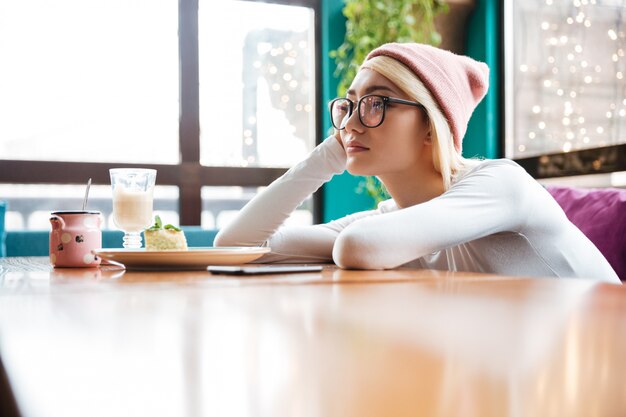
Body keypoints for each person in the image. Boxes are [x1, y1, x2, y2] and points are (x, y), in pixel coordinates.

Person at [214, 43, 620, 283]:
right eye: (350, 104)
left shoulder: (502, 183)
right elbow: (236, 246)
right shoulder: (395, 220)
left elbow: (359, 247)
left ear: (431, 126)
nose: (352, 122)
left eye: (376, 103)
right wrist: (327, 155)